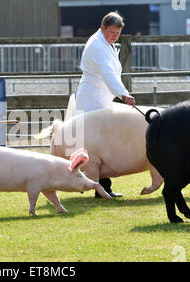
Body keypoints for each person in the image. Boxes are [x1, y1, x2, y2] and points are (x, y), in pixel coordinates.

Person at [75, 11, 136, 198]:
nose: (114, 36)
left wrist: (120, 92)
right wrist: (124, 93)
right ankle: (94, 186)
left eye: (117, 33)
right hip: (93, 97)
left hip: (102, 96)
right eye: (111, 32)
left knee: (102, 143)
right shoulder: (97, 45)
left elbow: (111, 73)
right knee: (94, 144)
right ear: (102, 28)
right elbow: (107, 73)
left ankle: (103, 186)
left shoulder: (106, 43)